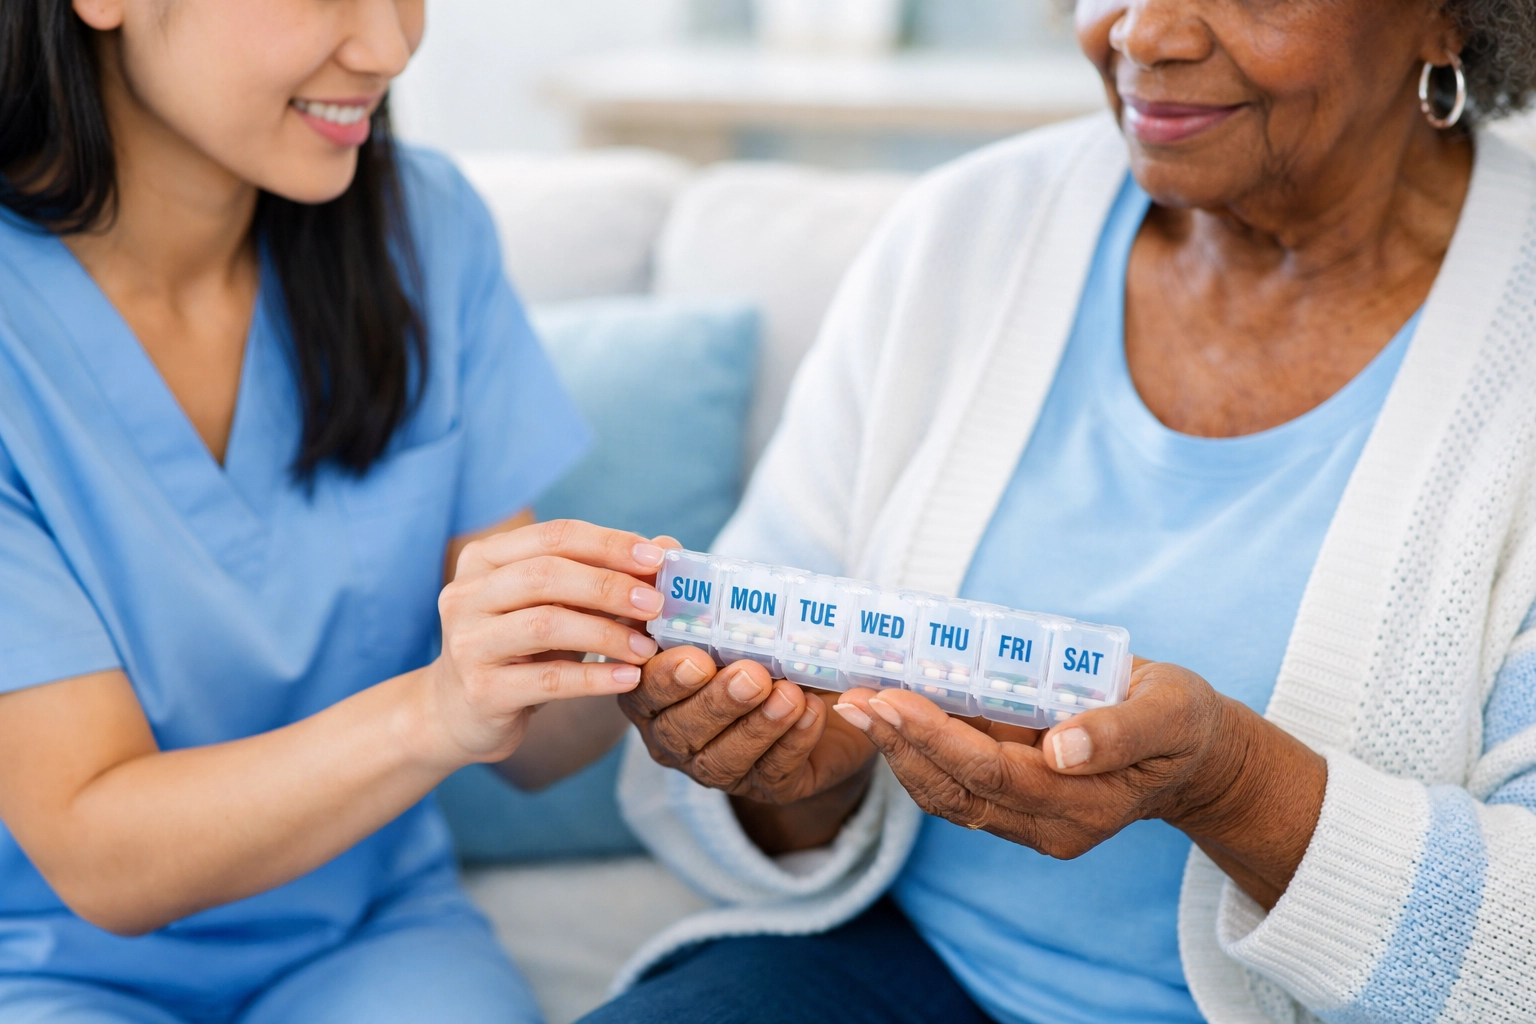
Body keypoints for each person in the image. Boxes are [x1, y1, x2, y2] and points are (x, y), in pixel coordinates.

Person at [592, 0, 1536, 1021]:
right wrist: (793, 775)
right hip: (896, 974)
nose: (1143, 34)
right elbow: (750, 769)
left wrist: (1230, 785)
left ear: (1447, 17)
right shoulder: (965, 231)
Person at [0, 1, 665, 1021]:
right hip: (45, 966)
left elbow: (535, 743)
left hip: (373, 940)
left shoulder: (425, 233)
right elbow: (102, 854)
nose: (389, 47)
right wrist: (436, 710)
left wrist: (641, 656)